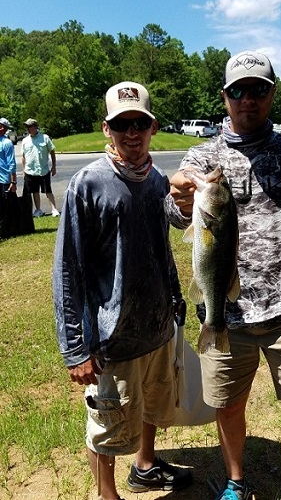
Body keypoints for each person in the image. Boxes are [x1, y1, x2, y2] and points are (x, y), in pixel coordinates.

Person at [166, 51, 281, 500]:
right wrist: (182, 200)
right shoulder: (204, 155)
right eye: (239, 91)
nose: (249, 99)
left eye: (259, 89)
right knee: (227, 408)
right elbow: (175, 210)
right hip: (223, 312)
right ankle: (236, 481)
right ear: (225, 96)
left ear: (272, 93)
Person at [53, 81, 192, 500]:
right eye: (121, 124)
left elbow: (175, 224)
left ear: (153, 127)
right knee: (106, 428)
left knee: (151, 404)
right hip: (110, 338)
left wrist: (185, 203)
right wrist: (75, 348)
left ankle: (146, 466)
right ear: (106, 129)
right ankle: (107, 493)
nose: (131, 133)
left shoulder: (155, 179)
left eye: (140, 123)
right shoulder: (87, 184)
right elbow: (66, 270)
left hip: (157, 324)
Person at [21, 118, 60, 217]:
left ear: (35, 127)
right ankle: (38, 210)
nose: (28, 129)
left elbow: (52, 152)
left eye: (30, 126)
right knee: (34, 191)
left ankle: (54, 209)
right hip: (30, 171)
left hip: (43, 170)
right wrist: (23, 170)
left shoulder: (45, 138)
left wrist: (54, 166)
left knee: (48, 190)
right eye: (27, 127)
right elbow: (23, 156)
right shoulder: (25, 140)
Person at [0, 117, 18, 233]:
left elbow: (11, 164)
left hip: (4, 180)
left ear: (2, 127)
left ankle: (6, 230)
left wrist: (13, 182)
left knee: (4, 207)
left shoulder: (7, 143)